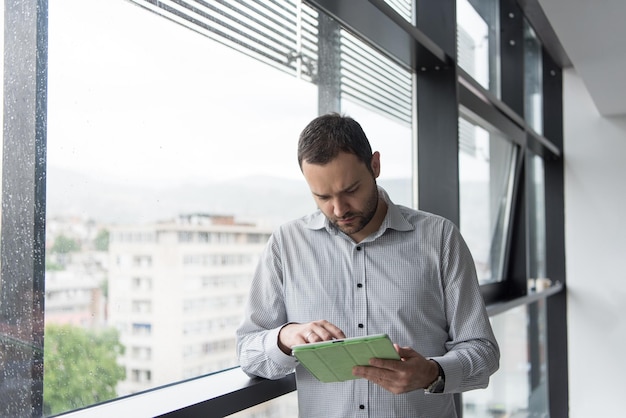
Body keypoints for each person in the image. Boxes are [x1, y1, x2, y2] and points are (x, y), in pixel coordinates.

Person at [236, 113, 499, 417]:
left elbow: (483, 352)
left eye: (350, 191)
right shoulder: (286, 244)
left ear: (375, 165)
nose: (338, 209)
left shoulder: (439, 238)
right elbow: (248, 353)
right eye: (322, 197)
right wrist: (286, 337)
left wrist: (431, 372)